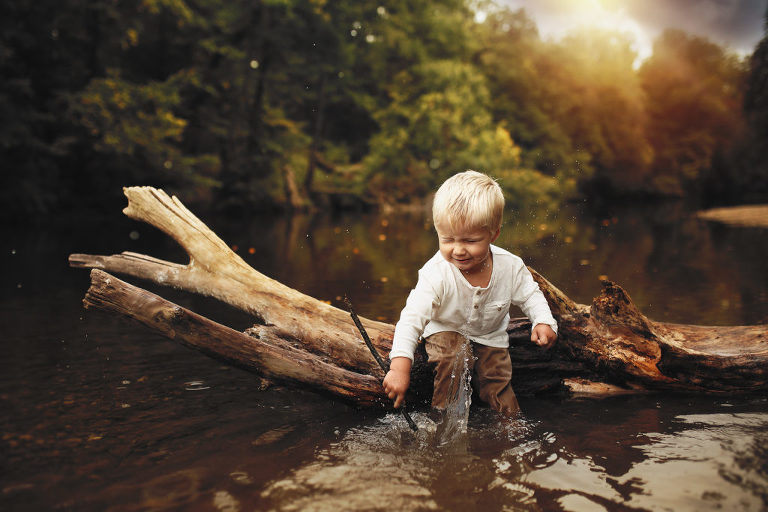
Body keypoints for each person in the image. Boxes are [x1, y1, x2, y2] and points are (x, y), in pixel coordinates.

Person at [382, 170, 558, 417]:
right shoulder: (437, 273)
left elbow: (531, 295)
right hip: (445, 330)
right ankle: (445, 423)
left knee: (497, 380)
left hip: (491, 337)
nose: (458, 250)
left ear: (493, 234)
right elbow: (411, 319)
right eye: (448, 239)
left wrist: (543, 321)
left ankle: (510, 429)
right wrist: (399, 367)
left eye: (470, 240)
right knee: (452, 356)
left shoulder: (509, 266)